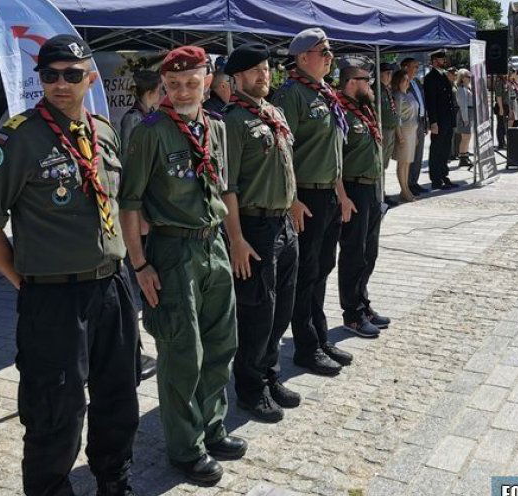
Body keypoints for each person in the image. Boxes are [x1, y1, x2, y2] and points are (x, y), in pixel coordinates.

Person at [0, 35, 140, 495]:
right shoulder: (18, 137)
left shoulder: (102, 131)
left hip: (112, 287)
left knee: (118, 394)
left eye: (72, 74)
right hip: (53, 297)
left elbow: (117, 204)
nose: (60, 83)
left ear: (90, 77)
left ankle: (113, 478)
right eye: (50, 74)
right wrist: (20, 279)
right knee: (54, 408)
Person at [121, 45, 246, 485]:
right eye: (173, 84)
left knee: (221, 344)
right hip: (173, 254)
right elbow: (130, 203)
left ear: (207, 80)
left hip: (212, 246)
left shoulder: (216, 126)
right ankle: (184, 447)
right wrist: (139, 264)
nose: (182, 90)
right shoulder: (150, 131)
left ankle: (212, 427)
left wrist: (235, 241)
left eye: (191, 82)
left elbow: (224, 189)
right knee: (182, 354)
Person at [220, 43, 301, 423]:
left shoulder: (274, 112)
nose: (263, 76)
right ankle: (250, 389)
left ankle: (270, 375)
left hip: (284, 222)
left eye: (266, 69)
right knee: (257, 312)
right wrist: (236, 239)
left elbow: (285, 165)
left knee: (282, 306)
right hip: (254, 227)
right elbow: (228, 187)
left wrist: (294, 201)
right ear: (235, 79)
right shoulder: (232, 121)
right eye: (254, 71)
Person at [272, 28, 355, 376]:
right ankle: (306, 345)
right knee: (306, 274)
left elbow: (332, 152)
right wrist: (291, 199)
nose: (330, 56)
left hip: (327, 195)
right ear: (303, 57)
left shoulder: (324, 93)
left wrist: (341, 195)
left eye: (330, 50)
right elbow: (281, 152)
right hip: (306, 196)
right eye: (324, 51)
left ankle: (319, 335)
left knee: (322, 268)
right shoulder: (291, 95)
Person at [335, 56, 389, 339]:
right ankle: (352, 314)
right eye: (365, 80)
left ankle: (363, 303)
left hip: (369, 187)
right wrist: (342, 196)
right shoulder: (340, 112)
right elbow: (333, 159)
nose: (370, 84)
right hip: (352, 189)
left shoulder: (362, 110)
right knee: (354, 254)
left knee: (370, 253)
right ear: (351, 82)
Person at [118, 69, 162, 382]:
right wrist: (143, 214)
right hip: (140, 210)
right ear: (150, 92)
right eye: (162, 89)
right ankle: (132, 354)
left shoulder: (147, 116)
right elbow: (136, 173)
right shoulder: (135, 120)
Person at [423, 51, 456, 190]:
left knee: (445, 149)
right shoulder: (430, 78)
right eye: (441, 59)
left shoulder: (443, 75)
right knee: (437, 149)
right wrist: (433, 122)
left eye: (444, 58)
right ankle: (436, 179)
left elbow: (449, 99)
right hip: (439, 120)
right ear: (434, 61)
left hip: (447, 118)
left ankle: (444, 175)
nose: (444, 61)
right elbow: (431, 102)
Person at [401, 57, 428, 196]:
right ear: (405, 67)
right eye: (415, 66)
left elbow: (422, 102)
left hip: (421, 121)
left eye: (418, 66)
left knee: (418, 155)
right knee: (409, 156)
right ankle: (407, 185)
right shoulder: (402, 82)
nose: (417, 69)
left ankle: (414, 182)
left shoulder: (416, 81)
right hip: (410, 123)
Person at [393, 69, 420, 202]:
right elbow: (396, 117)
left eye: (408, 80)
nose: (407, 82)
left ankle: (406, 189)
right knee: (402, 163)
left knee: (408, 162)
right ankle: (404, 190)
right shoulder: (398, 96)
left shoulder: (409, 94)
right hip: (403, 132)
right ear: (398, 82)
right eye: (404, 80)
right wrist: (399, 135)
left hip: (412, 132)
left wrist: (416, 135)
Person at [378, 62, 401, 206]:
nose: (389, 76)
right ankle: (380, 194)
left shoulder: (386, 89)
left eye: (390, 73)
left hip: (390, 130)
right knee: (380, 165)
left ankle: (382, 192)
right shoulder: (377, 90)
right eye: (387, 73)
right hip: (384, 130)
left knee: (384, 165)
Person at [455, 69, 474, 169]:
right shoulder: (461, 89)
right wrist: (465, 119)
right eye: (468, 76)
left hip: (469, 113)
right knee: (465, 137)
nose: (470, 78)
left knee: (468, 137)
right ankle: (462, 158)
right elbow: (463, 106)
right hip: (464, 114)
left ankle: (465, 155)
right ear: (462, 78)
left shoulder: (468, 88)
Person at [494, 74, 508, 149]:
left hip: (505, 105)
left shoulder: (504, 80)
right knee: (500, 125)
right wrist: (501, 108)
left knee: (504, 124)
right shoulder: (499, 82)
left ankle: (504, 141)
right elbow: (498, 96)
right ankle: (501, 143)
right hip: (501, 105)